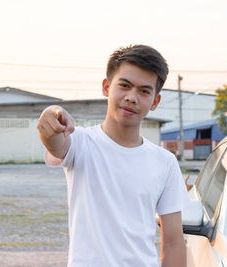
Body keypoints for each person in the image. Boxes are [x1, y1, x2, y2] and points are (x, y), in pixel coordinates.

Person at [37, 44, 190, 267]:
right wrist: (50, 114)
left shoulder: (164, 162)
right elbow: (54, 143)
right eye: (124, 86)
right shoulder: (80, 143)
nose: (131, 97)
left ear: (155, 101)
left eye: (144, 91)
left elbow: (174, 242)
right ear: (106, 87)